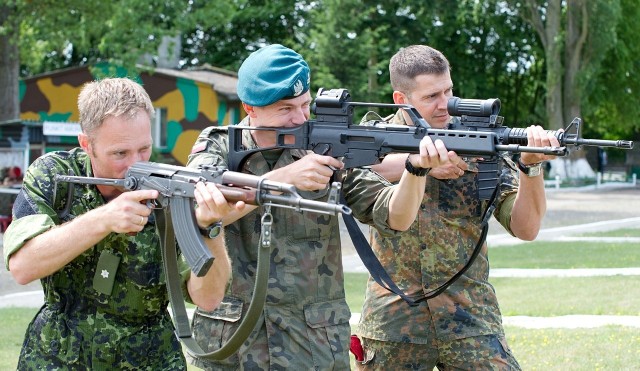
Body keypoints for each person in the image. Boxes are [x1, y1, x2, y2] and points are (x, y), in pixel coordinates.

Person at [186, 44, 453, 370]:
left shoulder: (323, 147)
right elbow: (203, 210)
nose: (300, 118)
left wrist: (415, 170)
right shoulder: (217, 145)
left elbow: (395, 216)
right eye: (286, 109)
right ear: (250, 108)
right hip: (234, 343)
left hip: (313, 345)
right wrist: (284, 179)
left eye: (305, 105)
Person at [3, 77, 242, 369]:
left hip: (149, 357)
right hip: (58, 355)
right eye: (120, 153)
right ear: (86, 144)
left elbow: (208, 299)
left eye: (144, 149)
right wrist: (104, 218)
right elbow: (22, 266)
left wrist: (211, 229)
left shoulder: (170, 187)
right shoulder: (55, 176)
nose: (136, 163)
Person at [354, 45, 561, 370]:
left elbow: (526, 227)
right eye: (432, 96)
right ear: (401, 99)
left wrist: (531, 168)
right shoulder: (373, 137)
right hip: (394, 321)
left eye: (449, 91)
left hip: (469, 316)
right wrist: (419, 164)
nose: (445, 104)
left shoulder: (477, 139)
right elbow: (346, 169)